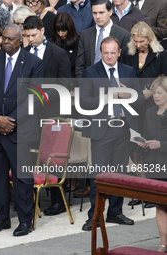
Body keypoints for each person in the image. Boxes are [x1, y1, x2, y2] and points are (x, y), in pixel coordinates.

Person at [0, 24, 43, 236]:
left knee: (22, 179)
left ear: (21, 40)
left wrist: (10, 121)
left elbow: (33, 99)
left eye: (9, 39)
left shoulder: (34, 63)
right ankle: (3, 219)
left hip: (20, 131)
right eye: (3, 38)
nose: (5, 42)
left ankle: (25, 221)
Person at [80, 36, 144, 231]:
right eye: (105, 52)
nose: (109, 56)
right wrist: (107, 96)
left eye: (112, 52)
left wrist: (129, 95)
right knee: (99, 175)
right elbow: (84, 102)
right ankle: (95, 215)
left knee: (120, 173)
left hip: (123, 129)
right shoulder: (90, 72)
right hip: (102, 130)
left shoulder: (128, 71)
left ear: (119, 53)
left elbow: (140, 99)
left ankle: (115, 212)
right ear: (101, 53)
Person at [23, 15, 71, 216]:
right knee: (32, 155)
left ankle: (58, 201)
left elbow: (65, 84)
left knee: (53, 156)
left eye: (33, 35)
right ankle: (33, 200)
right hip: (29, 114)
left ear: (42, 31)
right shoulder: (24, 52)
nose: (30, 39)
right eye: (27, 35)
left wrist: (41, 97)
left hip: (53, 112)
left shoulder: (59, 53)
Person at [138, 75, 167, 252]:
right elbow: (147, 135)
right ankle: (163, 243)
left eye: (160, 93)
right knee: (160, 206)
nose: (155, 96)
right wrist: (144, 143)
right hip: (153, 165)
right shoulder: (149, 112)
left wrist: (161, 145)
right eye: (154, 93)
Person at [121, 22, 167, 130]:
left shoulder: (161, 55)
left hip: (153, 104)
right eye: (135, 41)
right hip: (130, 104)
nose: (138, 45)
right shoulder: (125, 53)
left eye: (142, 41)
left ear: (150, 39)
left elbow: (165, 80)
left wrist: (152, 92)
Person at [75, 0, 130, 78]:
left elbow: (126, 67)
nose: (97, 16)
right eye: (95, 13)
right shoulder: (85, 35)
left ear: (110, 12)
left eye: (101, 13)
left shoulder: (123, 35)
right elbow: (80, 65)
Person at [51, 11, 79, 77]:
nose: (60, 34)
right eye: (58, 31)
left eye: (63, 30)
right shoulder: (51, 43)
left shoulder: (79, 42)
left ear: (69, 28)